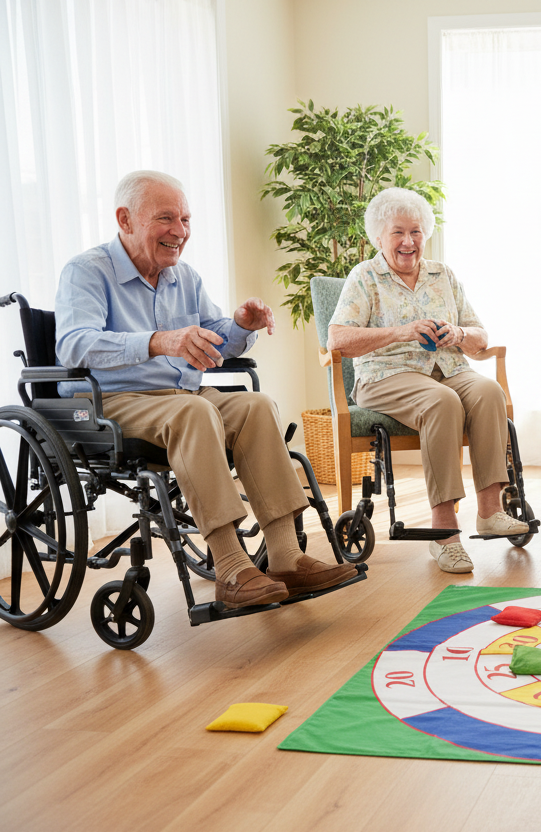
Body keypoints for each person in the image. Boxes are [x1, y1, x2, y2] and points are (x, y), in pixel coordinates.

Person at [55, 170, 357, 610]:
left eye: (185, 219)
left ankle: (286, 557)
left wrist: (240, 325)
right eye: (166, 218)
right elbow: (74, 344)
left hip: (181, 397)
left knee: (256, 406)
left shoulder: (184, 277)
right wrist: (159, 341)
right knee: (195, 413)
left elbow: (215, 338)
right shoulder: (87, 271)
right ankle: (231, 569)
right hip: (111, 402)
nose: (179, 231)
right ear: (125, 219)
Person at [327, 187, 528, 574]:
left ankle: (490, 511)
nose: (408, 241)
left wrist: (458, 333)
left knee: (489, 391)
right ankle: (443, 534)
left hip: (449, 369)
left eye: (416, 232)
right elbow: (338, 339)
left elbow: (480, 336)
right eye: (398, 232)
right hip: (386, 375)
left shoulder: (442, 274)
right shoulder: (365, 277)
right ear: (379, 237)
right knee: (442, 401)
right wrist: (402, 332)